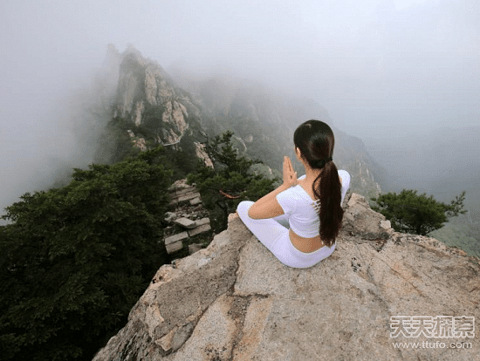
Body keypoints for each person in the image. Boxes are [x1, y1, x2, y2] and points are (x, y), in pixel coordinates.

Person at [236, 120, 350, 268]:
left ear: (298, 152)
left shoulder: (293, 196)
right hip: (328, 246)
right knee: (295, 211)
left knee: (243, 206)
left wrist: (285, 186)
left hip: (299, 258)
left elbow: (253, 212)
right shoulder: (343, 178)